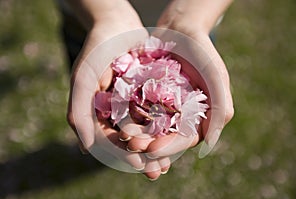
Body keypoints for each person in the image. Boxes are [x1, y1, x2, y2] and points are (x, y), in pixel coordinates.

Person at [57, 0, 234, 181]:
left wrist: (191, 16)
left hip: (200, 14)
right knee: (86, 78)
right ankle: (101, 160)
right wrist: (106, 12)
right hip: (86, 14)